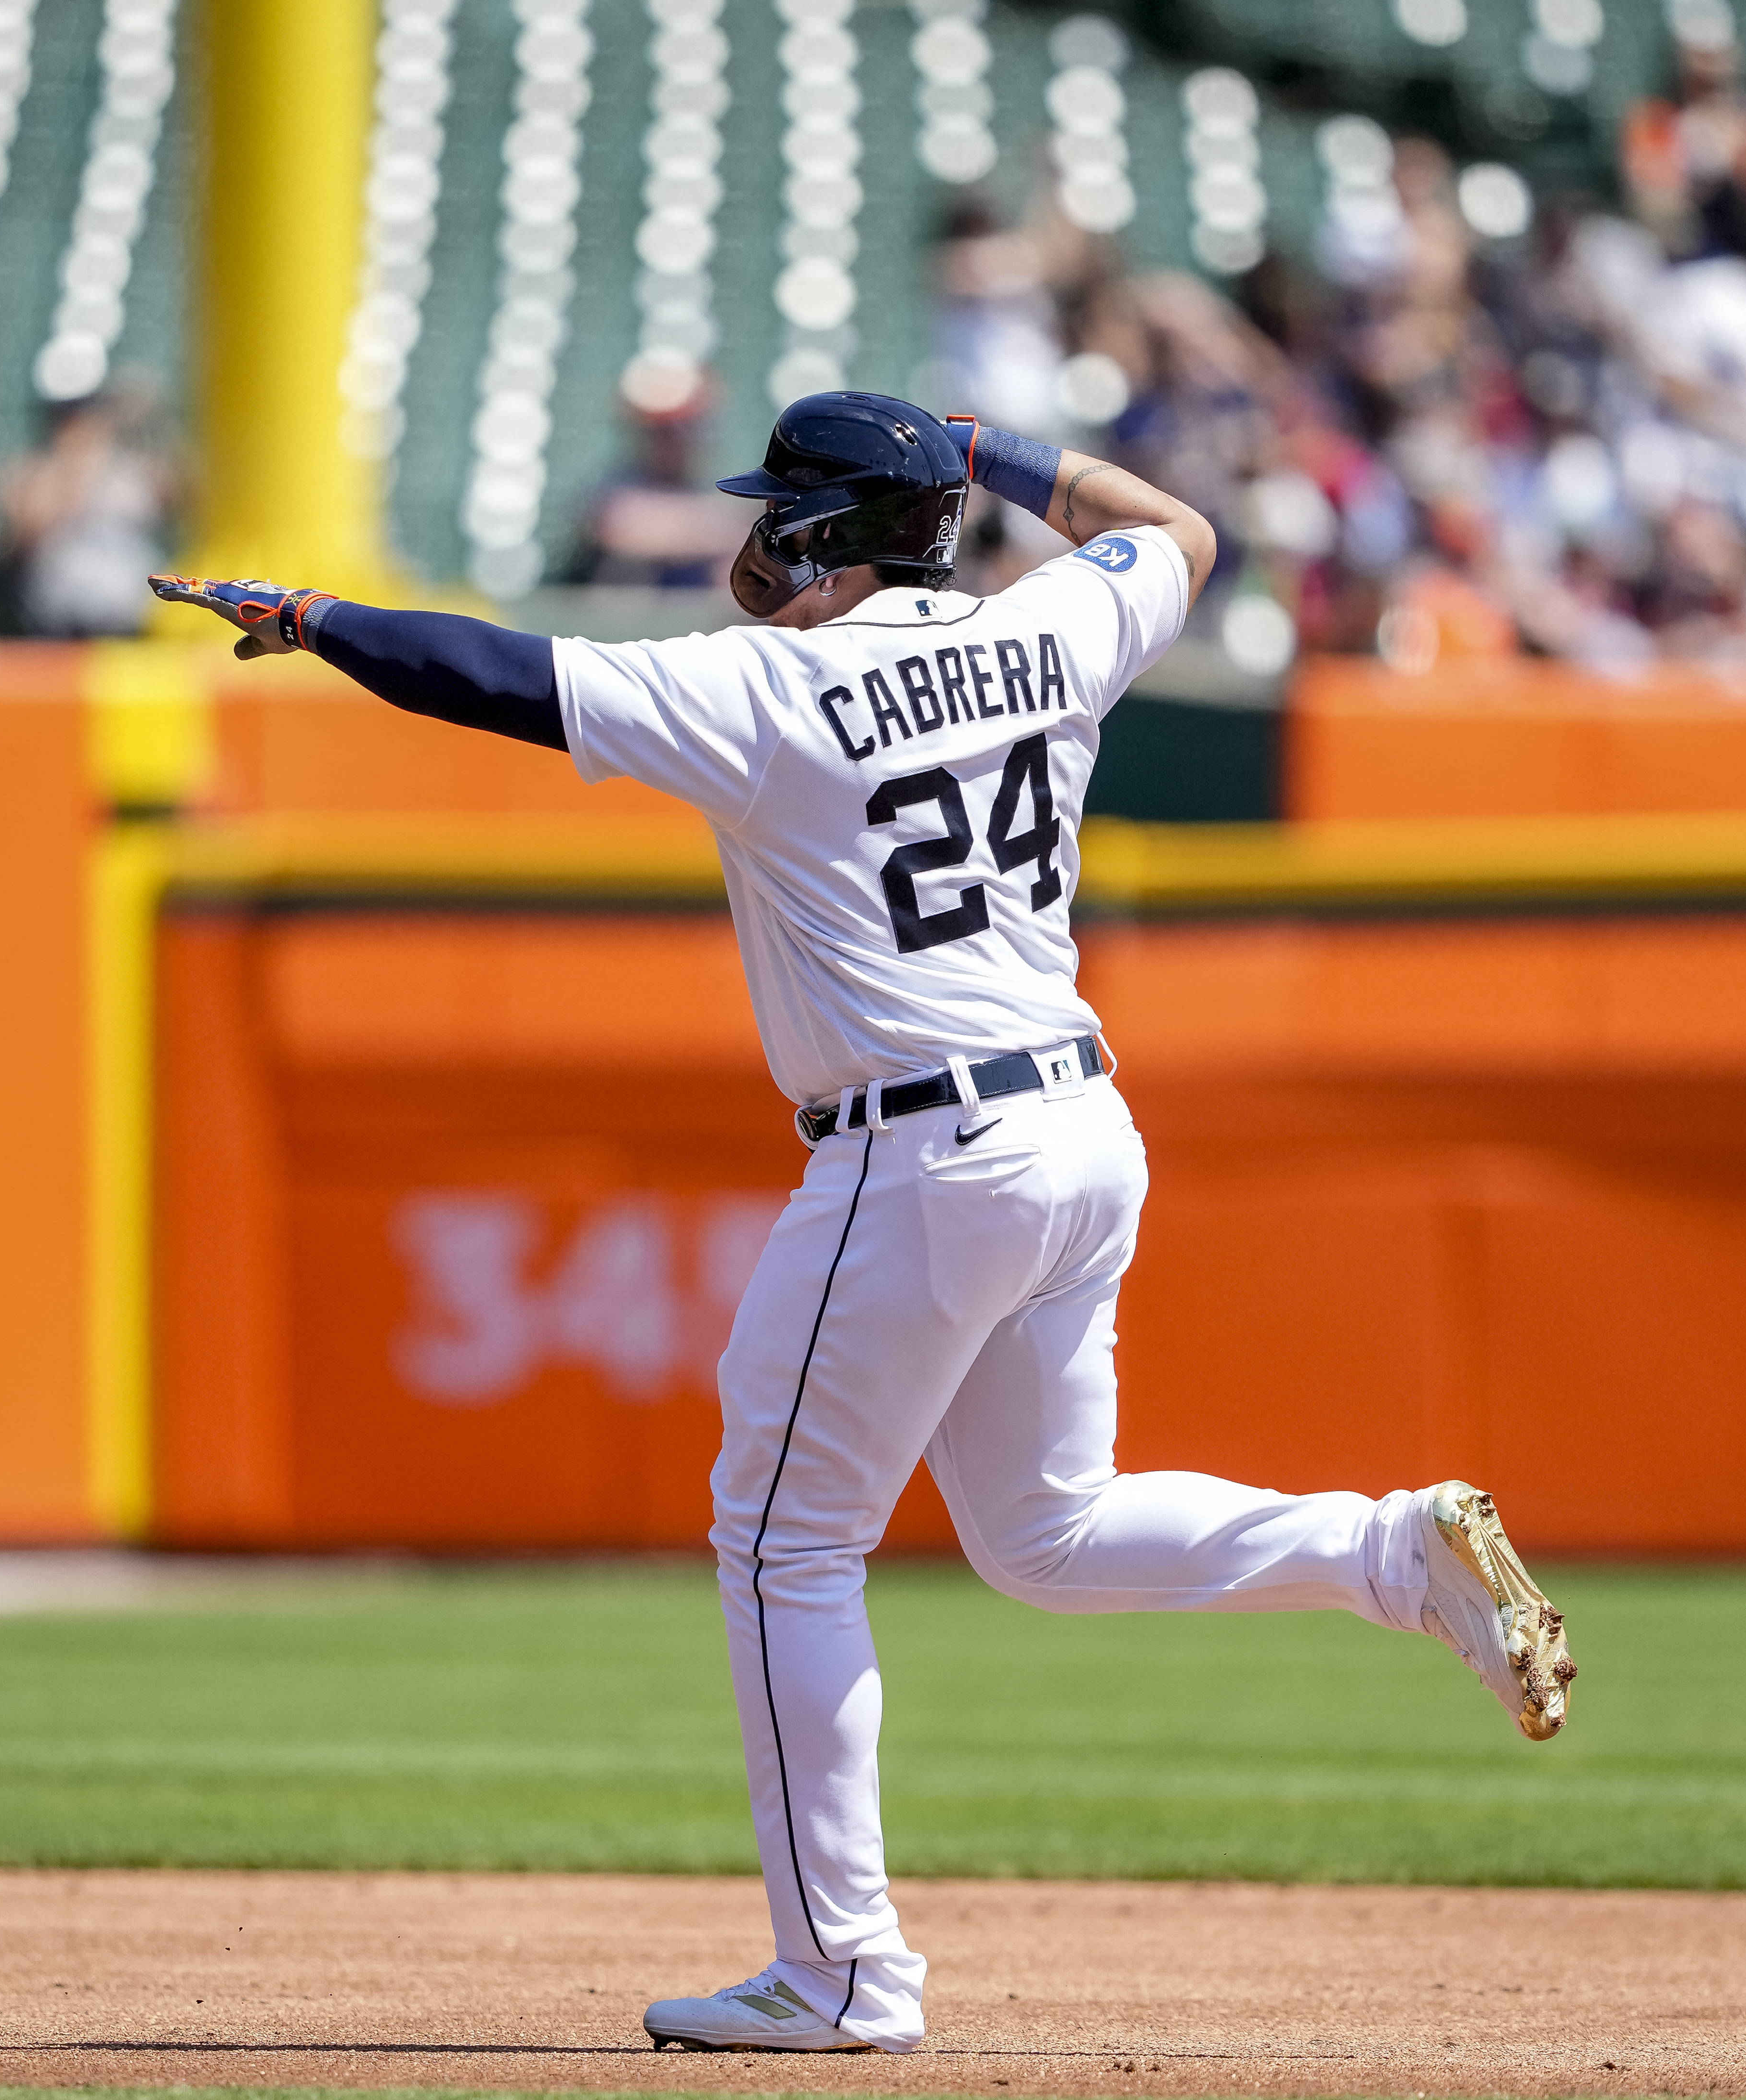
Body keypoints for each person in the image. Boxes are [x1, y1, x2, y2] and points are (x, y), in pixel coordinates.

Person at [148, 391, 1577, 2056]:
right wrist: (990, 446)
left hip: (924, 1146)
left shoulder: (767, 686)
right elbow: (1181, 531)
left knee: (780, 1538)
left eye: (781, 507)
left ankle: (841, 1971)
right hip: (1080, 1123)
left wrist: (316, 618)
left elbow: (500, 676)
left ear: (824, 529)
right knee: (1044, 1533)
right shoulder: (1050, 629)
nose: (755, 532)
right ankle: (1391, 1550)